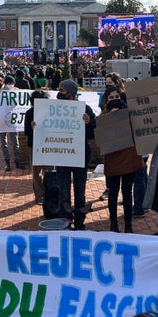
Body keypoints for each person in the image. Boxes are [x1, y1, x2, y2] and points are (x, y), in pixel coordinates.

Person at [50, 79, 96, 230]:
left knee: (80, 192)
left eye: (62, 90)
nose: (59, 93)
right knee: (64, 191)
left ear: (70, 93)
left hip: (80, 156)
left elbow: (92, 135)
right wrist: (36, 125)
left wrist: (89, 123)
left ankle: (80, 222)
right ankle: (66, 222)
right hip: (62, 155)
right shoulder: (53, 109)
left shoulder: (85, 109)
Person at [102, 96, 144, 233]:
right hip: (115, 160)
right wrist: (109, 116)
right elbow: (99, 132)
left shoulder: (130, 116)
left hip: (128, 160)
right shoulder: (104, 116)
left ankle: (127, 224)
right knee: (114, 193)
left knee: (126, 193)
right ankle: (115, 224)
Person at [24, 89, 50, 205]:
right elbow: (26, 132)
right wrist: (31, 127)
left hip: (48, 144)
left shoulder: (50, 113)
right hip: (34, 145)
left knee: (49, 170)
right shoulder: (29, 113)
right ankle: (39, 195)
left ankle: (49, 193)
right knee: (36, 171)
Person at [0, 75, 22, 171]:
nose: (11, 85)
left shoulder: (15, 91)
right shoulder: (1, 93)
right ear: (5, 84)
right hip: (2, 120)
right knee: (4, 142)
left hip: (12, 119)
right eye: (9, 83)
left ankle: (17, 161)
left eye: (12, 83)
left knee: (15, 141)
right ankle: (7, 162)